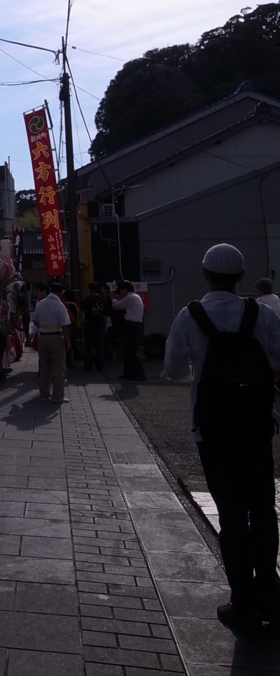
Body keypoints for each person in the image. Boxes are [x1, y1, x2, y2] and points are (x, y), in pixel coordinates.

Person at [163, 243, 280, 629]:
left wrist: (200, 370)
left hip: (213, 430)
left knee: (230, 513)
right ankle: (270, 591)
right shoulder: (261, 314)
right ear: (242, 276)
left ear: (205, 274)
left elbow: (173, 370)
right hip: (257, 426)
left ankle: (243, 601)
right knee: (262, 508)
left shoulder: (190, 315)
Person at [32, 281, 71, 403]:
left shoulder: (41, 304)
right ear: (60, 293)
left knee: (44, 368)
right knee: (58, 367)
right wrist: (68, 342)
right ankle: (58, 396)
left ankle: (43, 394)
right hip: (56, 337)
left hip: (42, 337)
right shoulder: (59, 305)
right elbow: (64, 325)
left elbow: (35, 320)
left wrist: (43, 327)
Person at [111, 280, 146, 380]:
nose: (120, 291)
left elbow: (115, 306)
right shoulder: (134, 297)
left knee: (131, 351)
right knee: (128, 351)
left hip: (132, 326)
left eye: (121, 289)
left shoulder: (131, 297)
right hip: (134, 326)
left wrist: (113, 298)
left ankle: (140, 374)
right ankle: (128, 373)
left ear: (126, 289)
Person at [81, 282, 107, 372]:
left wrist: (82, 321)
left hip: (89, 324)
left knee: (89, 346)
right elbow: (105, 315)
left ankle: (88, 365)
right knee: (99, 346)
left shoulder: (88, 299)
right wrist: (105, 326)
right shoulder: (103, 300)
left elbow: (81, 311)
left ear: (91, 290)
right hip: (100, 325)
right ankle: (100, 365)